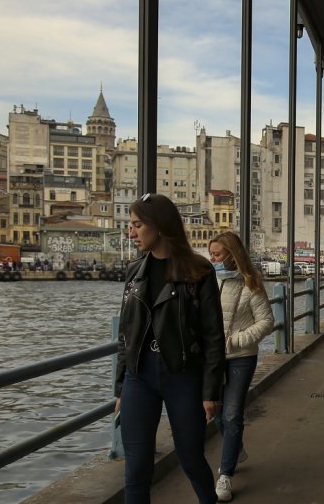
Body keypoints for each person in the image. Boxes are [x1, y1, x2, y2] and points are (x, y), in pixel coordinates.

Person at [115, 193, 226, 504]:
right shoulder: (134, 271)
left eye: (137, 225)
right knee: (136, 470)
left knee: (190, 458)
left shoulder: (198, 271)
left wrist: (211, 390)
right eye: (130, 226)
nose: (131, 233)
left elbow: (213, 335)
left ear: (159, 226)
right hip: (140, 378)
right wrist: (121, 387)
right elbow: (126, 334)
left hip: (183, 376)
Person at [208, 231, 275, 502]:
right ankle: (236, 449)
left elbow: (266, 321)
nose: (212, 259)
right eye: (210, 254)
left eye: (217, 255)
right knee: (216, 412)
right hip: (212, 358)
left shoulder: (251, 284)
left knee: (232, 414)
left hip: (241, 357)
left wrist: (237, 340)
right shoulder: (209, 281)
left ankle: (225, 474)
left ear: (232, 256)